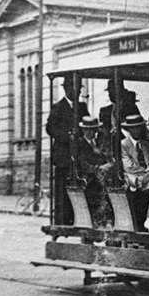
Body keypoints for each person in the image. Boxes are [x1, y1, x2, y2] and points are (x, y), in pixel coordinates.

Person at [46, 75, 88, 224]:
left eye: (78, 89)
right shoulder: (58, 107)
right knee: (63, 189)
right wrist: (68, 137)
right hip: (63, 155)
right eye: (73, 88)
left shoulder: (82, 107)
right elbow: (50, 128)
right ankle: (62, 220)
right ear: (66, 89)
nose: (76, 92)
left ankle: (78, 218)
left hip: (79, 155)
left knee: (79, 188)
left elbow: (87, 126)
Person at [119, 114, 149, 232]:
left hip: (145, 178)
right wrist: (145, 174)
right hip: (132, 179)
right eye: (133, 128)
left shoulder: (145, 144)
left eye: (138, 127)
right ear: (129, 129)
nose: (136, 130)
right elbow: (129, 167)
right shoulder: (123, 144)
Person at [76, 116, 113, 227]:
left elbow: (107, 157)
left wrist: (108, 165)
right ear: (83, 130)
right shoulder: (79, 143)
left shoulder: (99, 143)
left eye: (93, 129)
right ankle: (98, 221)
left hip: (101, 175)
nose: (91, 132)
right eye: (88, 129)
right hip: (88, 178)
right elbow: (82, 163)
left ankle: (108, 219)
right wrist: (97, 169)